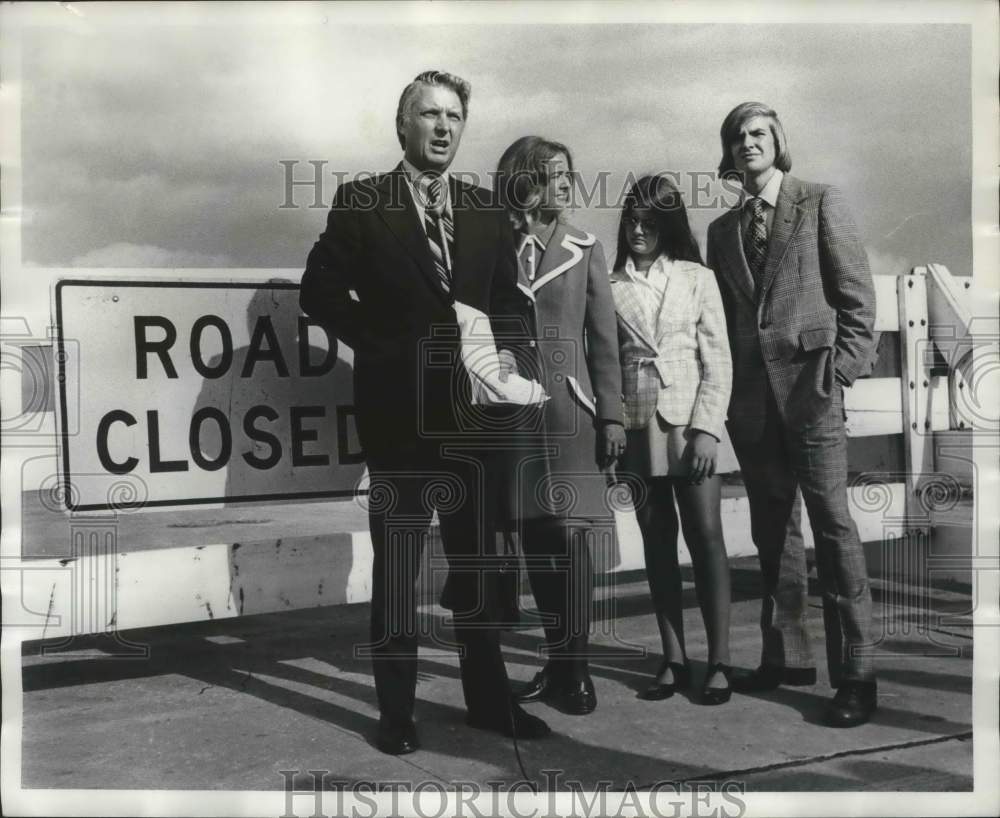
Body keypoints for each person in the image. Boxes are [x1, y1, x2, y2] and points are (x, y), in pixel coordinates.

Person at [300, 70, 550, 755]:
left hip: (470, 419)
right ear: (403, 127)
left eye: (454, 117)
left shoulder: (483, 209)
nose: (444, 127)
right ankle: (396, 712)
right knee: (399, 566)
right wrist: (381, 345)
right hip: (397, 419)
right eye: (430, 115)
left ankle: (490, 703)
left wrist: (499, 360)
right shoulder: (363, 202)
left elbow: (509, 301)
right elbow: (318, 291)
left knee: (476, 566)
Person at [705, 101, 878, 727]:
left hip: (814, 393)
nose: (748, 143)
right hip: (752, 407)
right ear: (728, 152)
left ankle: (856, 674)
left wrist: (839, 375)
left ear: (778, 143)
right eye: (737, 136)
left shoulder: (819, 200)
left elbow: (859, 302)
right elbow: (726, 324)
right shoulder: (722, 232)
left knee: (834, 530)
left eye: (759, 134)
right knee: (772, 531)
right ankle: (789, 656)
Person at [495, 136, 625, 716]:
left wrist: (614, 417)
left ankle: (577, 673)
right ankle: (557, 663)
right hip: (515, 416)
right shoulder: (495, 245)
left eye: (570, 173)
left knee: (573, 546)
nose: (567, 182)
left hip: (572, 415)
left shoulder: (586, 245)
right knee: (537, 544)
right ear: (526, 180)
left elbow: (605, 342)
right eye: (553, 174)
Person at [610, 174, 735, 705]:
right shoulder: (610, 282)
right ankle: (673, 656)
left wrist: (707, 430)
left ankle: (720, 660)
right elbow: (605, 361)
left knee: (706, 537)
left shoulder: (696, 277)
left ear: (668, 224)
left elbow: (719, 359)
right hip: (639, 428)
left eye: (651, 222)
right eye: (632, 221)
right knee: (657, 543)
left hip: (691, 426)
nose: (640, 230)